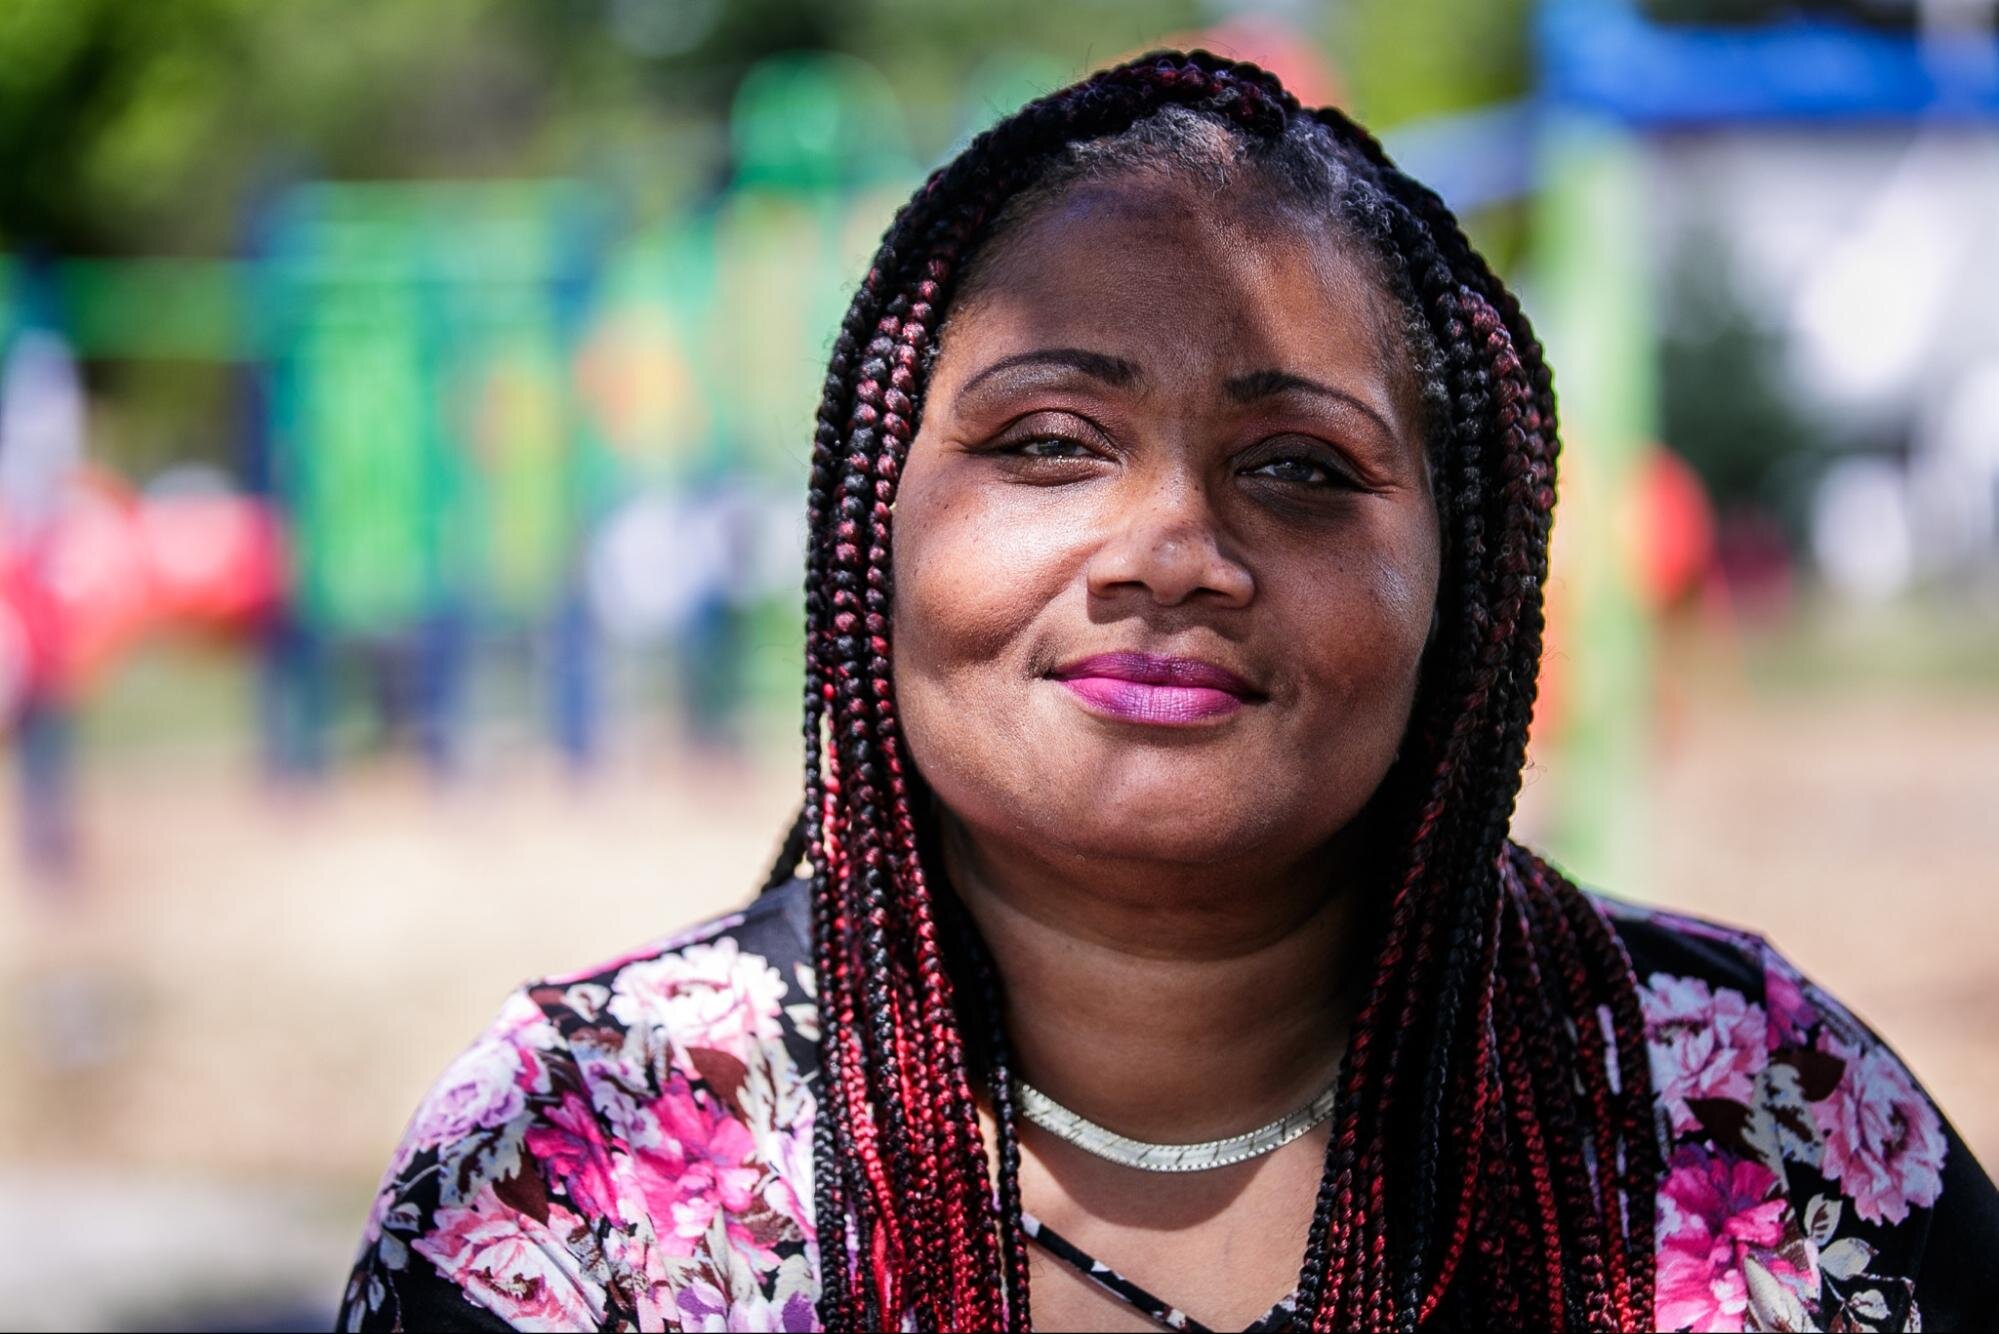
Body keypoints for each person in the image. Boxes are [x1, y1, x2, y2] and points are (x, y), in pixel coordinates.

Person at [337, 51, 1998, 1332]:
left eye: (1299, 464)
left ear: (1464, 580)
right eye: (1050, 442)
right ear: (874, 523)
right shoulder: (588, 1152)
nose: (1173, 550)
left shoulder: (1760, 1111)